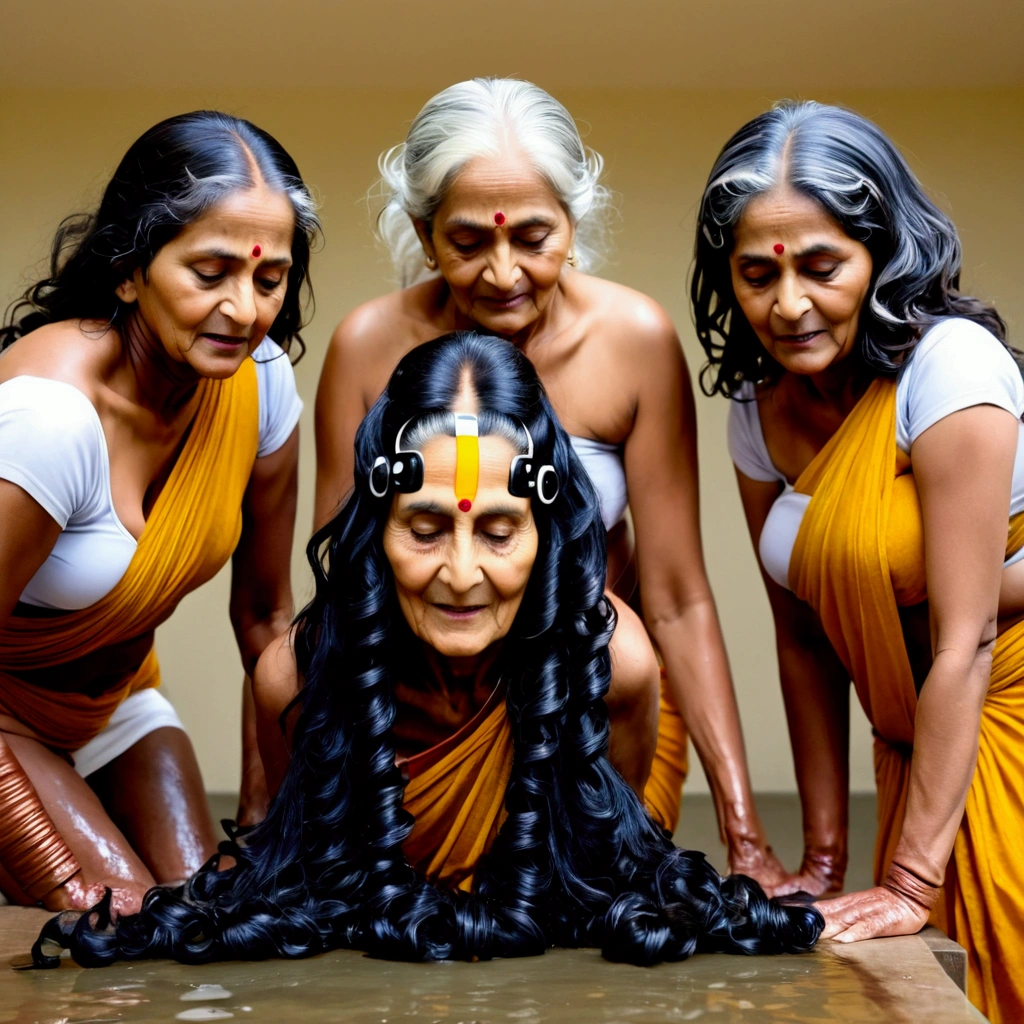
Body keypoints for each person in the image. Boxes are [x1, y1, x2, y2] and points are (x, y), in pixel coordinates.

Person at [33, 331, 823, 968]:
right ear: (376, 527)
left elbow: (600, 854)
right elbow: (317, 864)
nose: (462, 573)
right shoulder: (295, 680)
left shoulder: (614, 666)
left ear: (544, 534)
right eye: (425, 526)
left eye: (500, 529)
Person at [314, 78, 790, 888]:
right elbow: (346, 573)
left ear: (574, 224)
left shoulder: (633, 341)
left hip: (595, 707)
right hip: (416, 716)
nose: (503, 274)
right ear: (426, 235)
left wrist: (747, 838)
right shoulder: (369, 345)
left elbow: (676, 598)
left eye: (533, 237)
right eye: (468, 243)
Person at [693, 99, 1023, 1022]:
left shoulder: (949, 368)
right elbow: (804, 637)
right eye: (757, 273)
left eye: (822, 265)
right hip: (914, 742)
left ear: (884, 253)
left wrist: (912, 881)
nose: (788, 303)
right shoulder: (758, 409)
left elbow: (967, 637)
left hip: (1001, 713)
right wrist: (823, 862)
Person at [0, 111, 316, 916]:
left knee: (215, 918)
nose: (243, 310)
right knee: (130, 928)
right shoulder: (49, 421)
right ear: (129, 270)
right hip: (6, 718)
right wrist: (58, 874)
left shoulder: (261, 384)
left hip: (116, 701)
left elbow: (266, 618)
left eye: (268, 279)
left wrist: (269, 829)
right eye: (209, 272)